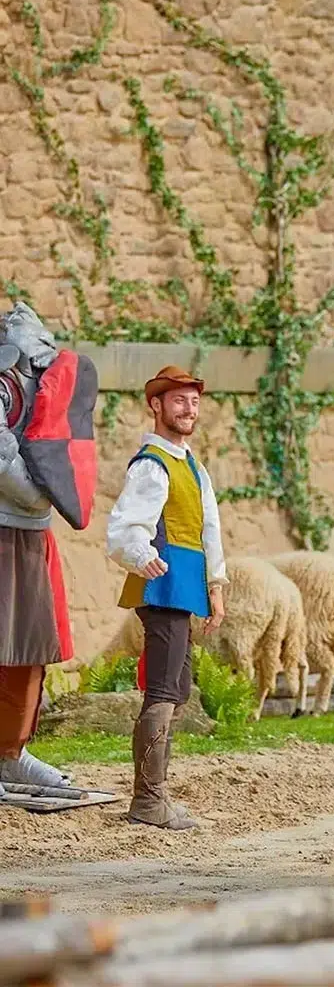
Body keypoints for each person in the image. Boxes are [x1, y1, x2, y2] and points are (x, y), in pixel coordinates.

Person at [106, 365, 227, 830]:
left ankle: (155, 796)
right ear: (156, 405)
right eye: (178, 401)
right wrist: (140, 553)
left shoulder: (191, 466)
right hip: (161, 587)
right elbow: (123, 527)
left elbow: (207, 530)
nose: (189, 409)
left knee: (175, 691)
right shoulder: (152, 465)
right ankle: (148, 800)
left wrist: (215, 586)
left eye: (194, 401)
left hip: (184, 589)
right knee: (162, 689)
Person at [0, 302, 97, 796]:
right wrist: (41, 495)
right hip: (3, 526)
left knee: (29, 648)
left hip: (33, 534)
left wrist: (50, 498)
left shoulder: (44, 379)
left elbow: (58, 441)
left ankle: (12, 754)